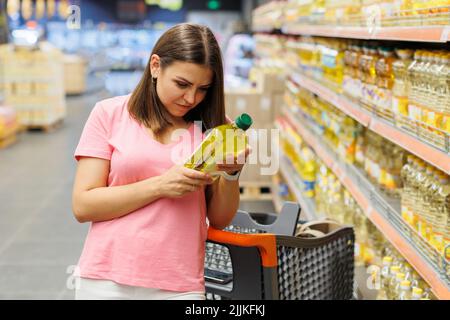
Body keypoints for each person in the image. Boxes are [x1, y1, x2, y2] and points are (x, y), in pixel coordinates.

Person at [71, 23, 249, 300]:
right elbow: (83, 205)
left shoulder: (215, 130)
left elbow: (220, 219)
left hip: (179, 284)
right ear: (156, 66)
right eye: (182, 84)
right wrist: (160, 186)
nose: (191, 98)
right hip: (106, 278)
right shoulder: (109, 114)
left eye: (203, 88)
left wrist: (232, 174)